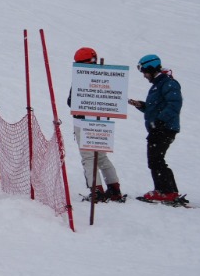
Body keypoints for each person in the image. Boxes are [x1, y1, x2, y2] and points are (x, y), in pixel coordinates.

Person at [70, 47, 124, 203]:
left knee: (88, 158)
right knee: (101, 157)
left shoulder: (82, 78)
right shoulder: (107, 76)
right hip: (102, 124)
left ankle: (97, 191)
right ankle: (114, 189)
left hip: (83, 123)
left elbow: (71, 101)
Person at [129, 54, 184, 204]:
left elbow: (174, 104)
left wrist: (160, 121)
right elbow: (156, 107)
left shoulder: (168, 83)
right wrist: (142, 105)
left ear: (152, 68)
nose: (144, 75)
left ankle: (164, 191)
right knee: (157, 159)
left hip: (164, 128)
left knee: (155, 160)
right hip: (160, 128)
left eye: (145, 72)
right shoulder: (159, 84)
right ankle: (169, 191)